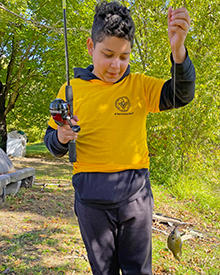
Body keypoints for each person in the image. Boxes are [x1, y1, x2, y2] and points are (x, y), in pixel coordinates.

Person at [44, 1, 195, 274]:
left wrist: (178, 50)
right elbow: (53, 144)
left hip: (135, 198)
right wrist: (62, 136)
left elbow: (180, 95)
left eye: (124, 57)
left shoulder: (138, 85)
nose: (116, 65)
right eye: (108, 54)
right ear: (91, 47)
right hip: (91, 200)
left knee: (138, 269)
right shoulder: (70, 89)